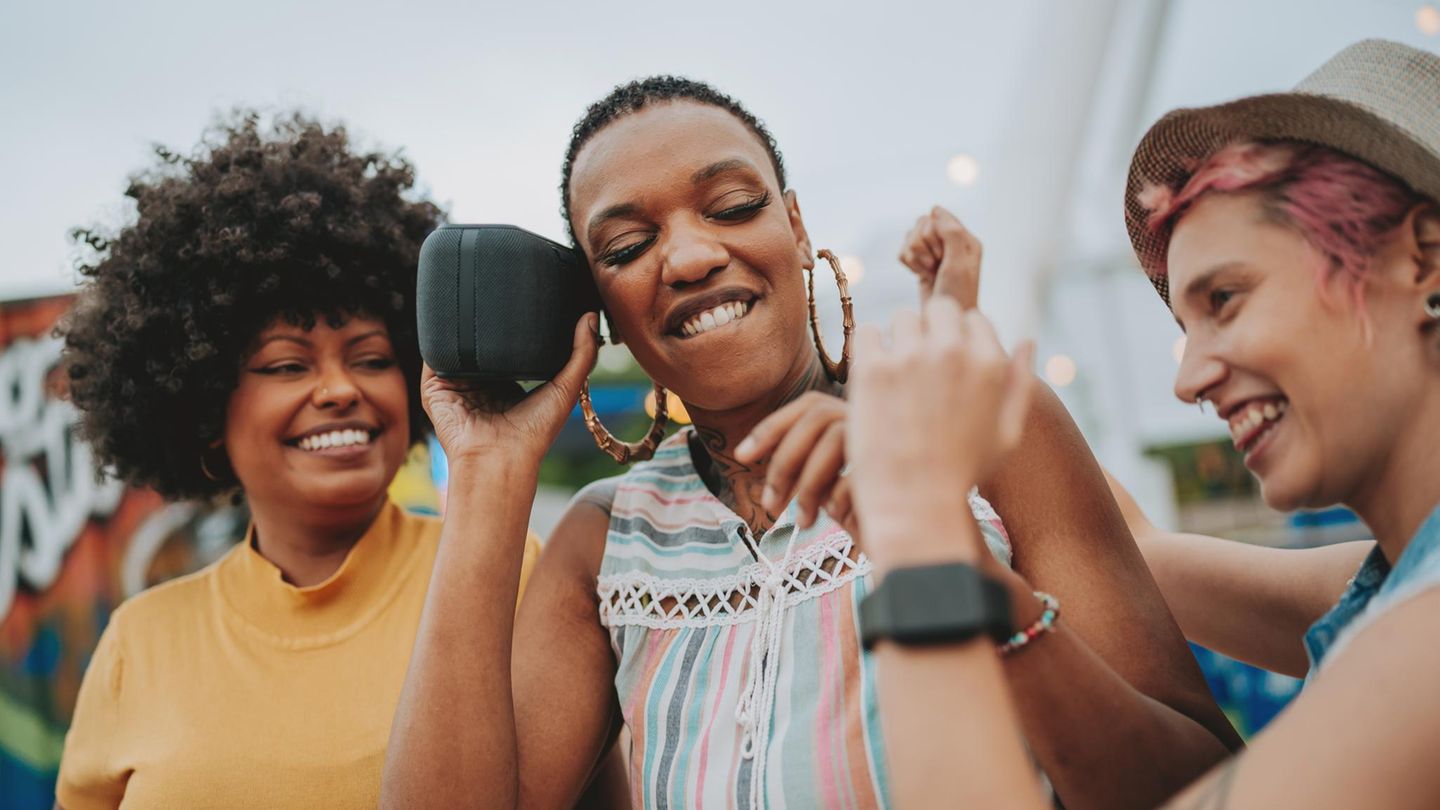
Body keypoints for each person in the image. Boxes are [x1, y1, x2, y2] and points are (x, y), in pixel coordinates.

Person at [383, 76, 1236, 810]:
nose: (690, 257)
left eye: (732, 207)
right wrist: (488, 470)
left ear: (795, 228)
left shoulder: (987, 434)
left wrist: (974, 589)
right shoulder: (605, 542)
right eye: (629, 246)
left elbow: (1199, 784)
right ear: (597, 307)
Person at [857, 38, 1440, 808]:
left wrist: (920, 529)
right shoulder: (1384, 582)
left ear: (1422, 258)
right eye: (1184, 327)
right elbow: (1137, 550)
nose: (1187, 380)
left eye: (1225, 300)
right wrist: (961, 343)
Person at [53, 112, 541, 809]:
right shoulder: (140, 640)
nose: (340, 389)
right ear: (206, 412)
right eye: (287, 365)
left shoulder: (516, 570)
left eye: (372, 359)